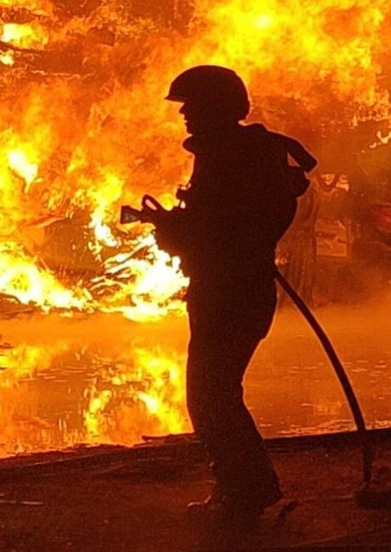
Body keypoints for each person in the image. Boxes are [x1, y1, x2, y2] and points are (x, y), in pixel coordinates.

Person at [160, 65, 316, 520]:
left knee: (211, 395)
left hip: (231, 291)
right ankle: (239, 487)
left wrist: (175, 233)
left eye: (192, 105)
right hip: (230, 288)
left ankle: (247, 492)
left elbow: (225, 228)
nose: (184, 114)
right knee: (215, 393)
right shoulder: (237, 155)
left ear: (217, 108)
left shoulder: (233, 159)